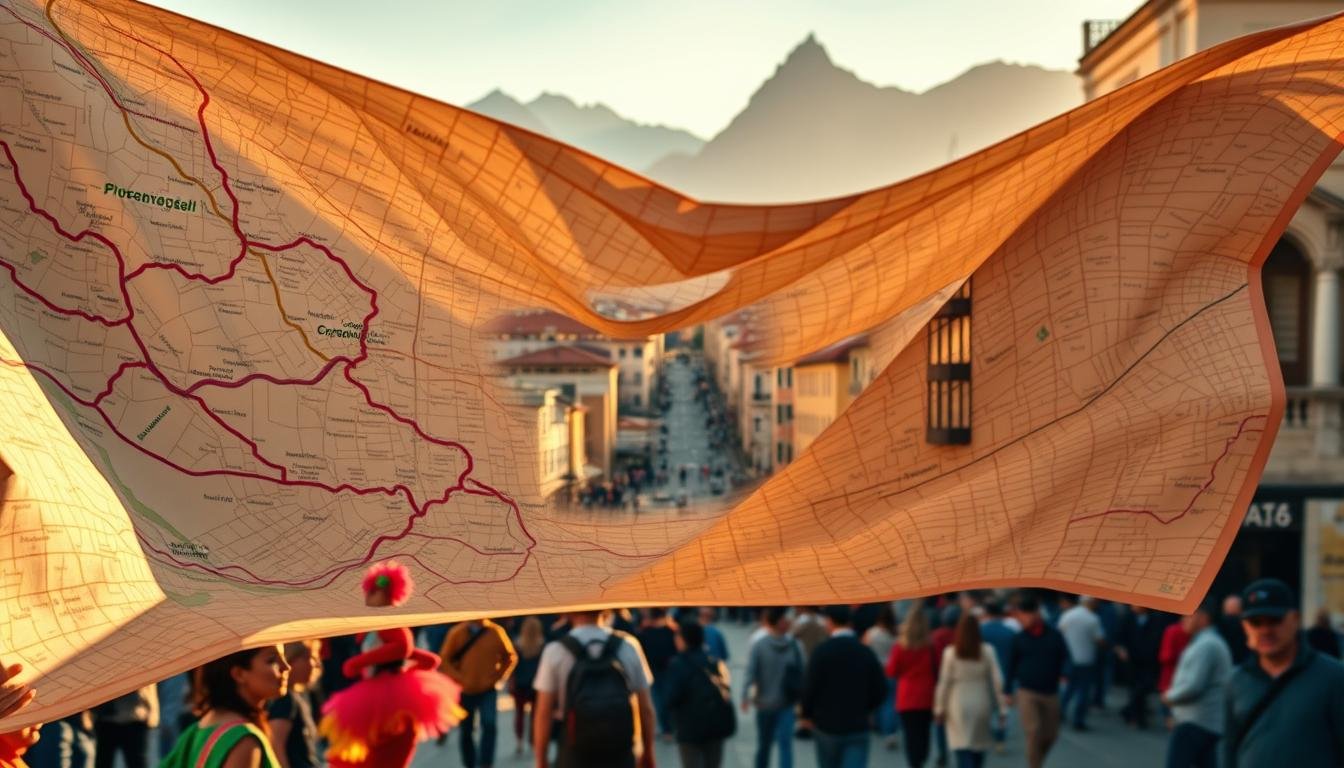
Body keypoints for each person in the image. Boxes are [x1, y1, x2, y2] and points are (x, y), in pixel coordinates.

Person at [319, 562, 463, 768]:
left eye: (375, 592)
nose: (369, 596)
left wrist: (359, 662)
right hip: (381, 695)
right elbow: (427, 659)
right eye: (370, 591)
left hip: (385, 698)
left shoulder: (391, 625)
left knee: (379, 755)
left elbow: (403, 646)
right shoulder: (376, 625)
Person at [1224, 578, 1344, 767]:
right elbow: (1228, 749)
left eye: (1274, 620)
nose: (1265, 630)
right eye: (1255, 622)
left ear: (1295, 619)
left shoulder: (1334, 677)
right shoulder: (1236, 681)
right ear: (1244, 627)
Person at [532, 609, 657, 768]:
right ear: (606, 609)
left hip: (574, 752)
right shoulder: (628, 645)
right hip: (620, 751)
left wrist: (541, 760)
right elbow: (645, 709)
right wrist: (648, 752)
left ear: (569, 612)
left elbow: (543, 712)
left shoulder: (555, 651)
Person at [159, 646, 289, 768]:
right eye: (272, 660)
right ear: (239, 674)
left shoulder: (195, 730)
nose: (286, 667)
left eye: (284, 657)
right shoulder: (244, 740)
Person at [800, 605, 887, 768]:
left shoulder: (821, 652)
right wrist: (866, 708)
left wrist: (806, 714)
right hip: (857, 725)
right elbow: (881, 689)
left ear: (830, 622)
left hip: (826, 726)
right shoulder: (864, 652)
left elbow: (809, 687)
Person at [1160, 602, 1232, 768]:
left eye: (1188, 615)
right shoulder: (1208, 642)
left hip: (1195, 721)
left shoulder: (1206, 645)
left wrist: (1169, 697)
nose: (1183, 620)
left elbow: (1193, 686)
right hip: (1202, 720)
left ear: (1204, 618)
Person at [440, 618, 518, 768]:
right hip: (465, 691)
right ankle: (470, 763)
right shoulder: (457, 633)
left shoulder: (496, 632)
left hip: (487, 689)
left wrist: (497, 677)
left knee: (489, 725)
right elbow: (444, 660)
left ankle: (485, 763)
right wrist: (459, 678)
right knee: (466, 730)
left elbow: (510, 657)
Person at [1004, 595, 1068, 768]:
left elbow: (1066, 658)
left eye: (1024, 614)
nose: (1021, 619)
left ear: (1036, 614)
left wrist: (1065, 673)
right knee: (1033, 732)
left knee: (1050, 735)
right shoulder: (1019, 638)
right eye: (1019, 615)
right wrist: (1007, 691)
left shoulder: (1054, 636)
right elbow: (1010, 666)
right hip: (1027, 691)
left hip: (1050, 691)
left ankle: (1037, 761)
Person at [934, 615, 1005, 768]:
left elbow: (944, 682)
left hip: (957, 702)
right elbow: (997, 680)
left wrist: (939, 707)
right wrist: (1002, 707)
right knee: (978, 747)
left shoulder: (950, 652)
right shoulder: (988, 651)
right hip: (981, 699)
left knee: (962, 748)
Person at [664, 622, 735, 768]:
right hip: (715, 726)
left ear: (683, 639)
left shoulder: (677, 665)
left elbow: (670, 698)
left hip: (689, 729)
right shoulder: (714, 662)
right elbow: (726, 690)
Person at [741, 607, 804, 768]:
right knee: (784, 745)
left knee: (765, 744)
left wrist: (745, 696)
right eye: (785, 618)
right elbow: (803, 672)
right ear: (779, 622)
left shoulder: (760, 645)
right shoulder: (795, 646)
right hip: (786, 702)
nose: (789, 621)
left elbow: (750, 672)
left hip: (765, 703)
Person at [886, 607, 937, 768]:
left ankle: (914, 763)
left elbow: (892, 671)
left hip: (906, 695)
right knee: (924, 732)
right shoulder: (931, 646)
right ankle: (921, 758)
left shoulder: (900, 647)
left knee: (910, 734)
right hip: (927, 694)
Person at [268, 640, 322, 768]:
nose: (315, 664)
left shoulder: (297, 695)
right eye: (308, 657)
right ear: (290, 660)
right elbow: (276, 745)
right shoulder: (284, 698)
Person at [1117, 605, 1170, 729]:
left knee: (1142, 688)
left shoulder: (1155, 619)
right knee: (1134, 688)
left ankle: (1132, 712)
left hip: (1148, 660)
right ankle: (1136, 715)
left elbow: (1157, 638)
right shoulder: (1128, 618)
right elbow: (1120, 636)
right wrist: (1121, 649)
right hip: (1132, 660)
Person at [1056, 594, 1104, 730]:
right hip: (1086, 658)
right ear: (1091, 602)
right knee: (1083, 690)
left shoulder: (1068, 615)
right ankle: (1078, 720)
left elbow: (1060, 632)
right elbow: (1099, 639)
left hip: (1069, 658)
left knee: (1069, 687)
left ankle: (1060, 712)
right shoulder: (1093, 618)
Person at [977, 602, 1017, 753]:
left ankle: (985, 734)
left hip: (985, 676)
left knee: (985, 706)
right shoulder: (1010, 632)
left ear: (987, 612)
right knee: (1002, 710)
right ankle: (1001, 738)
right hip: (1006, 675)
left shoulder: (981, 630)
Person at [862, 604, 900, 750]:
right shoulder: (895, 633)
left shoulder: (871, 633)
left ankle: (880, 725)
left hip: (876, 670)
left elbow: (865, 649)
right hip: (891, 670)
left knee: (878, 700)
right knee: (890, 701)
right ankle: (890, 730)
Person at [92, 686, 158, 768]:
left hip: (135, 720)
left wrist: (154, 711)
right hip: (107, 720)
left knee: (137, 762)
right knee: (103, 762)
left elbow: (150, 684)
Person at [638, 608, 679, 740]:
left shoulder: (645, 632)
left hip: (652, 670)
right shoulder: (672, 631)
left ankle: (667, 729)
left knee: (658, 700)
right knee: (668, 699)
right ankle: (670, 728)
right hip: (669, 670)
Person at [511, 617, 546, 755]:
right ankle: (533, 741)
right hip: (536, 684)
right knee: (534, 715)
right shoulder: (542, 645)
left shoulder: (517, 644)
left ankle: (519, 741)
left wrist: (512, 681)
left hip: (520, 683)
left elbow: (513, 666)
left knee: (519, 714)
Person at [1159, 616, 1191, 726]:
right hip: (1173, 677)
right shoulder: (1175, 631)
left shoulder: (1174, 630)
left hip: (1173, 678)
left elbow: (1165, 656)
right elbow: (1166, 656)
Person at [1217, 594, 1249, 666]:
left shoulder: (1250, 635)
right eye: (1229, 616)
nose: (1231, 621)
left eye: (1235, 615)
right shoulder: (1217, 635)